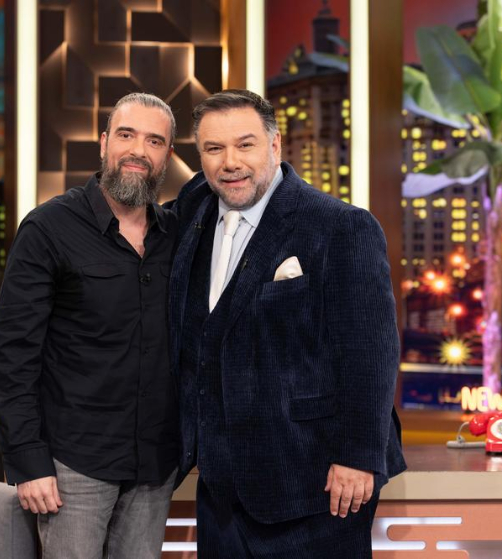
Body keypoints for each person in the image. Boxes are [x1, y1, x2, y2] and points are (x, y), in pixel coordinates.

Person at [168, 89, 406, 557]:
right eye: (214, 149)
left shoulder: (341, 226)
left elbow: (370, 353)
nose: (230, 162)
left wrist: (358, 457)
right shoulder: (193, 210)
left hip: (316, 486)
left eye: (246, 145)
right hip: (219, 491)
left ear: (275, 145)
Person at [0, 92, 179, 559]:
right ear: (104, 142)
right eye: (127, 135)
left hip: (155, 465)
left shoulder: (177, 235)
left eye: (154, 141)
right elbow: (11, 356)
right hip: (73, 466)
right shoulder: (49, 228)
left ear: (168, 156)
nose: (138, 150)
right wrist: (28, 460)